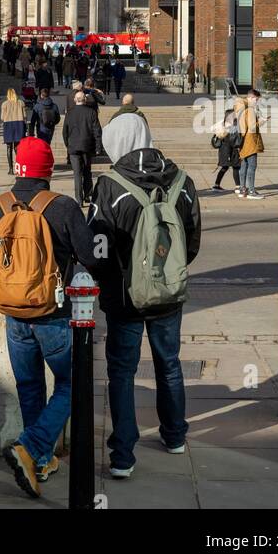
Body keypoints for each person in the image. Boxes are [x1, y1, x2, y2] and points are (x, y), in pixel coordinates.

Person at [0, 136, 101, 498]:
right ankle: (31, 448)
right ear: (48, 170)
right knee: (72, 384)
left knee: (30, 386)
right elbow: (91, 257)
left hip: (14, 315)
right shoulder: (62, 207)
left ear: (17, 167)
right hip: (54, 314)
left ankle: (39, 460)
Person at [88, 146, 201, 478]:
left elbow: (98, 245)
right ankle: (175, 435)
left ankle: (123, 455)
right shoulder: (184, 182)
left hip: (125, 298)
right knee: (169, 364)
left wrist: (113, 280)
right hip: (168, 294)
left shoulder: (109, 185)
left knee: (122, 372)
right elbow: (192, 240)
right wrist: (165, 275)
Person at [63, 89, 104, 205]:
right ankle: (87, 195)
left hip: (73, 147)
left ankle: (79, 199)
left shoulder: (69, 113)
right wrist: (98, 147)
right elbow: (97, 131)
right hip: (86, 146)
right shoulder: (91, 112)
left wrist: (68, 144)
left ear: (75, 100)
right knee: (87, 171)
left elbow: (64, 132)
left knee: (77, 174)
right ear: (85, 99)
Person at [102, 93, 152, 165]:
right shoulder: (140, 115)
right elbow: (146, 130)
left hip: (121, 146)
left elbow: (109, 132)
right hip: (137, 148)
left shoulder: (116, 115)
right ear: (133, 102)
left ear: (123, 103)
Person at [237, 90, 264, 199]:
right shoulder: (250, 109)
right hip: (250, 140)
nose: (257, 102)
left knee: (244, 166)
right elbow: (252, 127)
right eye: (256, 100)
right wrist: (261, 121)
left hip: (242, 140)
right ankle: (251, 191)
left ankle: (242, 189)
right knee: (252, 166)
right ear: (252, 98)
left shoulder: (240, 107)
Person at [211, 108, 242, 192]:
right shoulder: (230, 126)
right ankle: (238, 186)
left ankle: (216, 185)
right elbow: (232, 140)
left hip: (224, 151)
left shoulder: (222, 124)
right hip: (230, 151)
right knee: (236, 167)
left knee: (225, 167)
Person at [1, 88, 27, 175]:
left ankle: (10, 169)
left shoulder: (4, 104)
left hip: (8, 125)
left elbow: (2, 117)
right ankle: (19, 168)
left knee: (9, 147)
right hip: (19, 124)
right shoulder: (21, 103)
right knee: (18, 147)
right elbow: (25, 116)